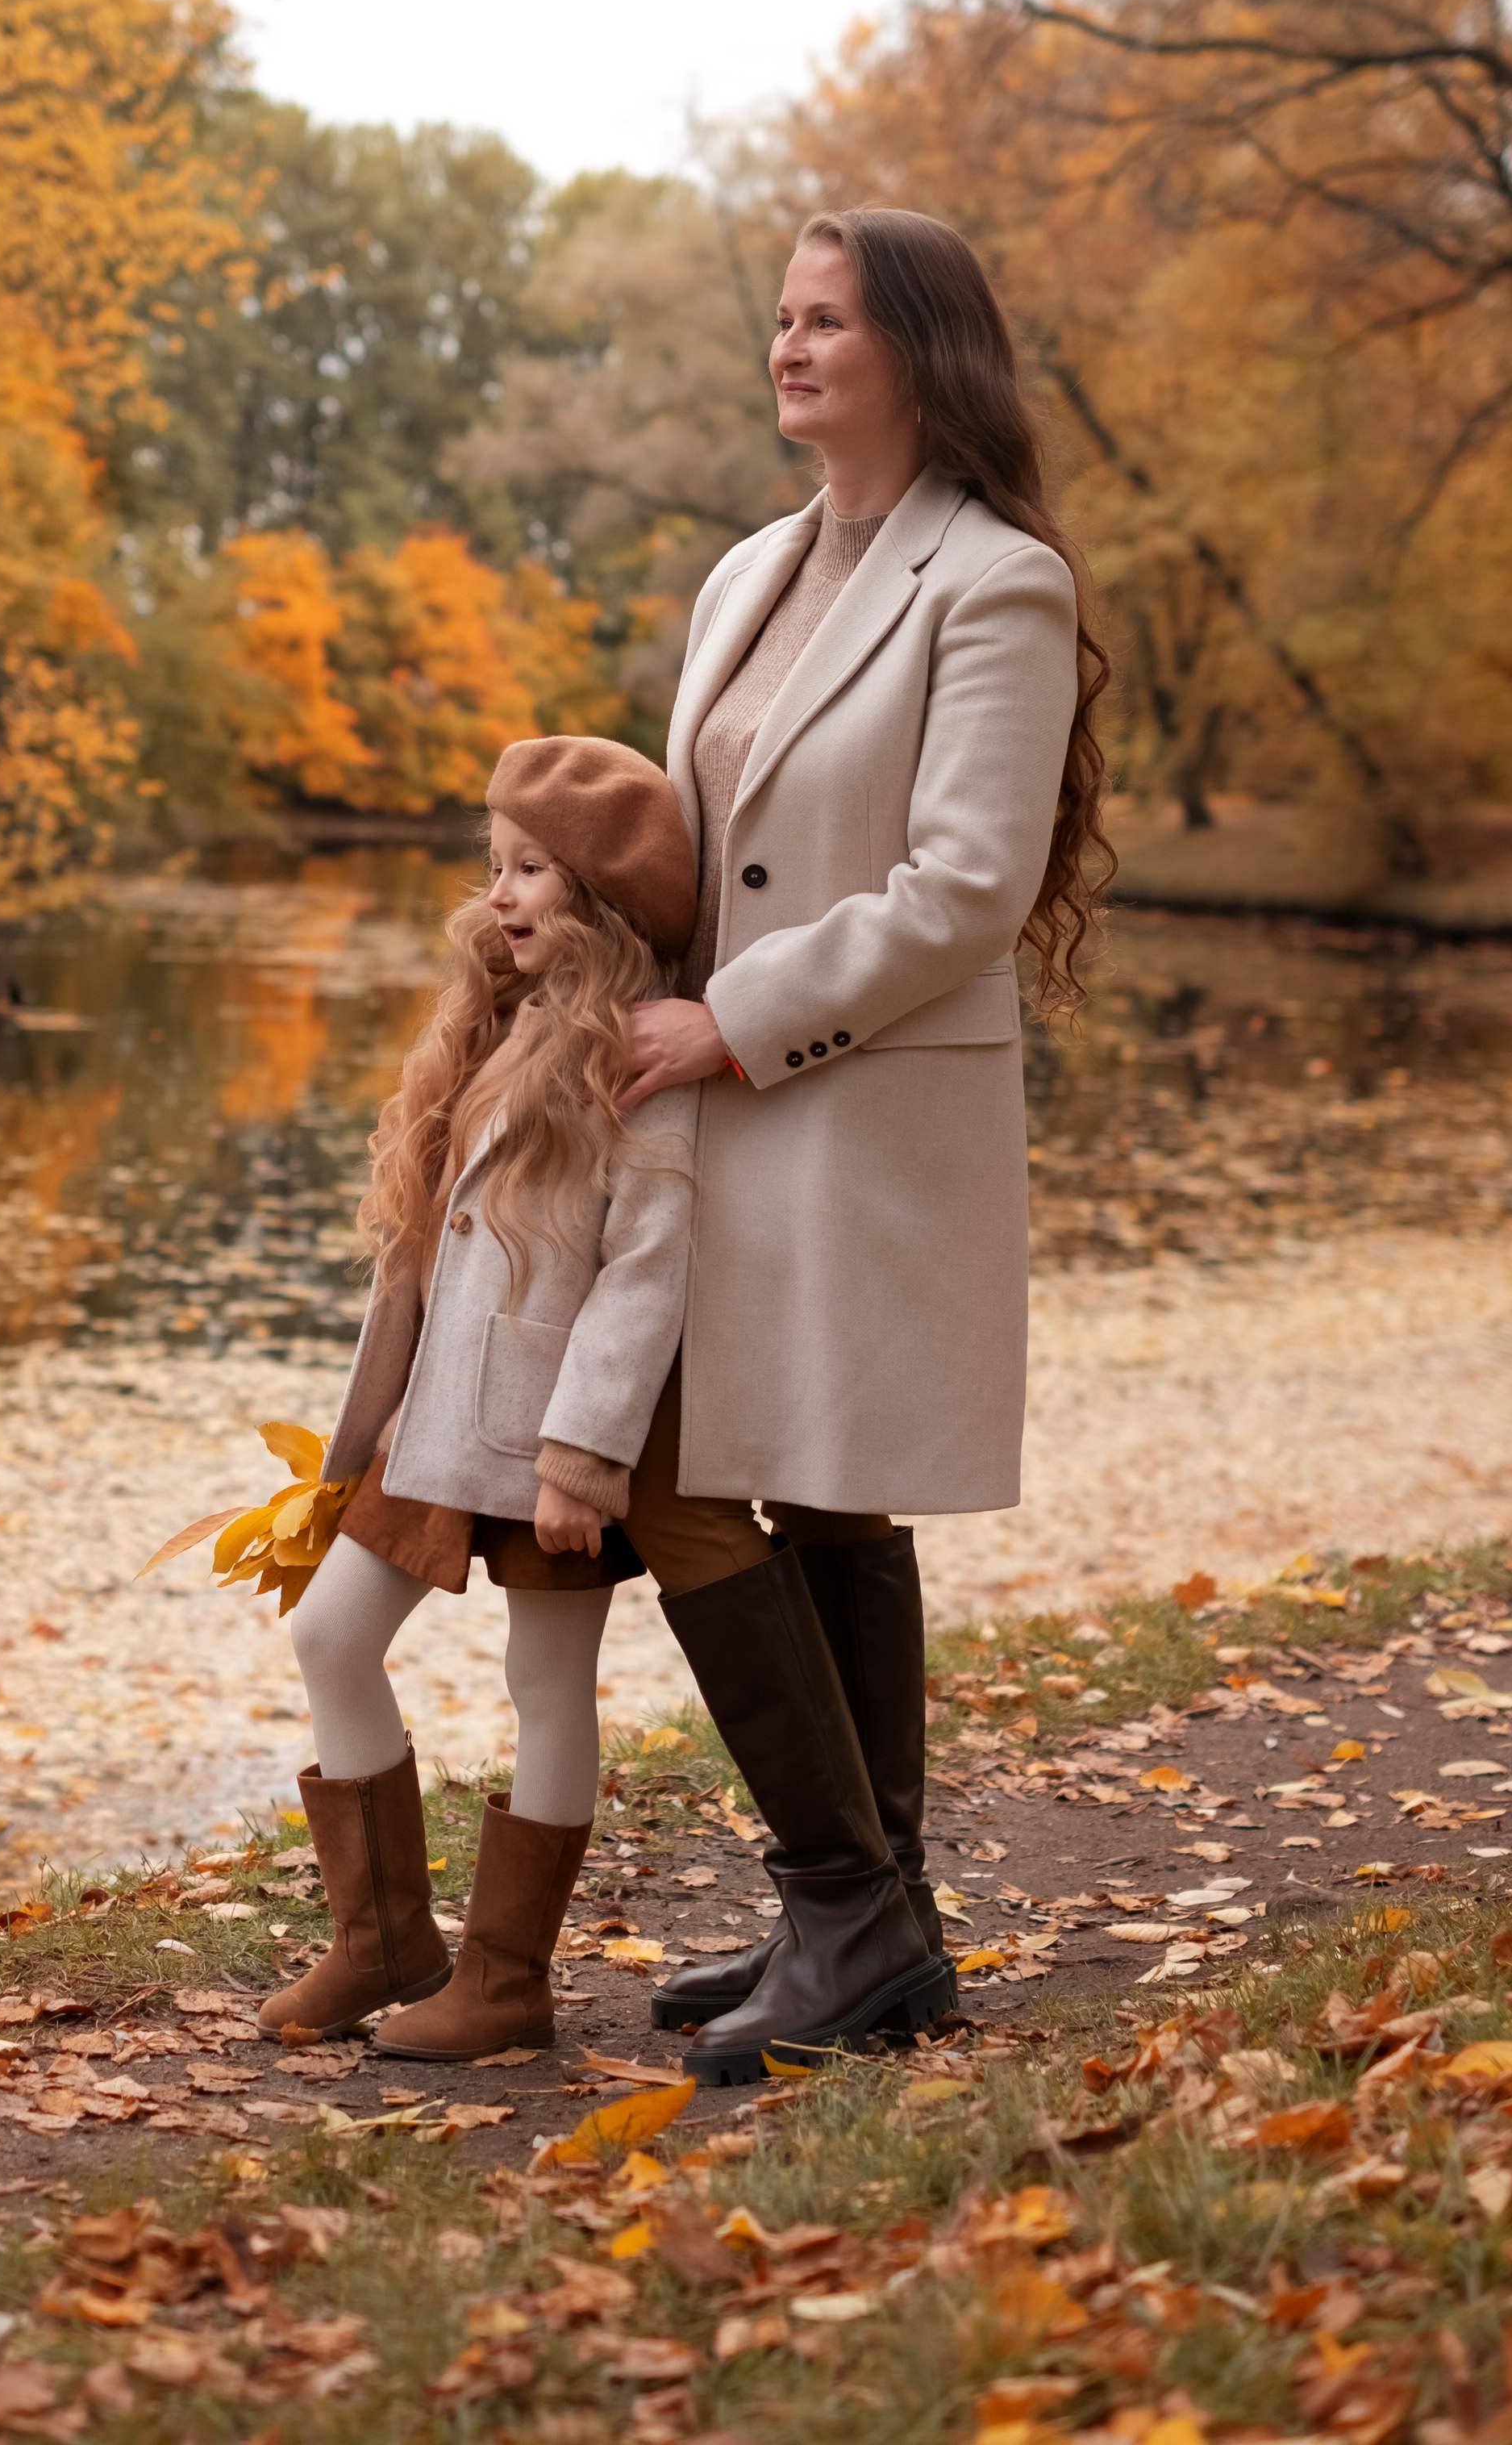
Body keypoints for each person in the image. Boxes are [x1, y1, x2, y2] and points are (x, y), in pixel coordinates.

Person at [586, 206, 1114, 2086]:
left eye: (828, 320)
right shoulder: (746, 572)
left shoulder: (994, 584)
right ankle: (866, 1920)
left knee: (738, 1479)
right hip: (714, 1098)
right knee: (781, 1483)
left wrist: (733, 1018)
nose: (790, 346)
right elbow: (701, 843)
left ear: (917, 351)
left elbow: (965, 886)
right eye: (781, 317)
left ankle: (853, 1911)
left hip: (856, 1101)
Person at [257, 735, 700, 2062]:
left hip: (549, 1439)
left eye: (534, 872)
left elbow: (646, 1273)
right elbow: (423, 1263)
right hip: (435, 1426)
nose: (500, 895)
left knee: (546, 1680)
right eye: (496, 866)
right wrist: (366, 1433)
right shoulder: (487, 1027)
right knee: (333, 1634)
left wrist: (583, 1457)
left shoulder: (636, 1058)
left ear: (603, 902)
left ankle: (509, 1978)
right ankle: (383, 1942)